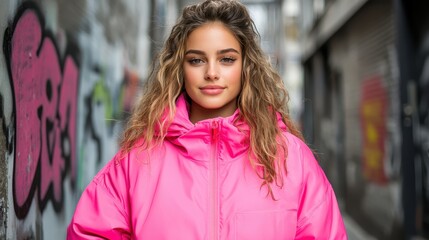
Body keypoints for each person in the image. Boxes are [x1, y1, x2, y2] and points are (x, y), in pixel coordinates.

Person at [67, 0, 347, 239]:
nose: (212, 72)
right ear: (180, 67)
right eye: (197, 60)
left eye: (226, 59)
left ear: (246, 65)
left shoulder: (290, 157)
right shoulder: (139, 160)